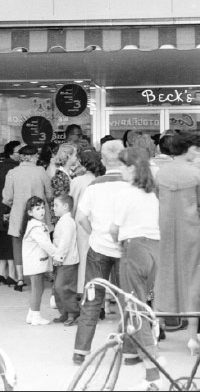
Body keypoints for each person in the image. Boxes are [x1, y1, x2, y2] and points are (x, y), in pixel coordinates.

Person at [109, 148, 164, 389]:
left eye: (123, 166)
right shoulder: (150, 193)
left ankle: (153, 369)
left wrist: (118, 244)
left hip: (133, 248)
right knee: (139, 304)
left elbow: (114, 229)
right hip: (153, 250)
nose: (120, 169)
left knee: (135, 309)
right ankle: (132, 349)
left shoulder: (126, 193)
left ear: (132, 168)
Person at [72, 139, 127, 365]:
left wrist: (93, 231)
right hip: (126, 249)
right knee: (128, 299)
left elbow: (81, 216)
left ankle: (81, 350)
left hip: (98, 249)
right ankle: (130, 348)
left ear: (103, 160)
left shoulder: (94, 186)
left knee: (92, 300)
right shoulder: (132, 185)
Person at [154, 130, 200, 355]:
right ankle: (192, 338)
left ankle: (157, 329)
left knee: (164, 276)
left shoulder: (161, 174)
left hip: (165, 230)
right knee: (193, 279)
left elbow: (157, 198)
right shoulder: (195, 174)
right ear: (188, 149)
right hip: (190, 231)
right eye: (195, 148)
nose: (198, 152)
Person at [3, 145, 52, 291]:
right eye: (36, 156)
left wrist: (16, 204)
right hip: (38, 213)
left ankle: (19, 278)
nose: (37, 158)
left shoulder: (12, 173)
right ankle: (38, 275)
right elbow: (49, 194)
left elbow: (6, 198)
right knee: (40, 243)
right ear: (30, 157)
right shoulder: (41, 171)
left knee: (18, 245)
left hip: (18, 212)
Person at [69, 149, 105, 289]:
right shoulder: (102, 180)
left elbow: (73, 204)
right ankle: (104, 292)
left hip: (81, 223)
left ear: (83, 163)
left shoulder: (77, 181)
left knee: (84, 257)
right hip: (99, 222)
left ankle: (82, 288)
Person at [20, 196, 57, 326]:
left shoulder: (35, 224)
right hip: (35, 263)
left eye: (42, 208)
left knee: (38, 288)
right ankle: (36, 315)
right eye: (37, 208)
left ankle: (31, 313)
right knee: (37, 288)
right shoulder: (35, 227)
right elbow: (45, 243)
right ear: (30, 212)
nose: (42, 211)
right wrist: (57, 254)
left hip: (36, 262)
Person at [0, 141, 22, 287]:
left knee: (1, 242)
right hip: (7, 210)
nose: (21, 155)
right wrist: (7, 211)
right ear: (11, 153)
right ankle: (12, 275)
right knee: (10, 243)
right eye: (18, 152)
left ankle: (1, 273)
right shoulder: (13, 169)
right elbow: (9, 193)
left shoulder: (0, 167)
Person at [52, 194, 80, 325]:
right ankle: (64, 312)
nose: (54, 208)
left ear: (65, 206)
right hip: (61, 260)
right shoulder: (63, 220)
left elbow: (65, 242)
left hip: (67, 261)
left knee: (64, 287)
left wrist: (59, 257)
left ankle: (73, 312)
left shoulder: (68, 222)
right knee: (57, 288)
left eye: (56, 205)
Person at [49, 143, 78, 221]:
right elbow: (59, 202)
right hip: (63, 218)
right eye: (75, 155)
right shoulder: (59, 177)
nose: (76, 158)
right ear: (68, 155)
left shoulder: (71, 174)